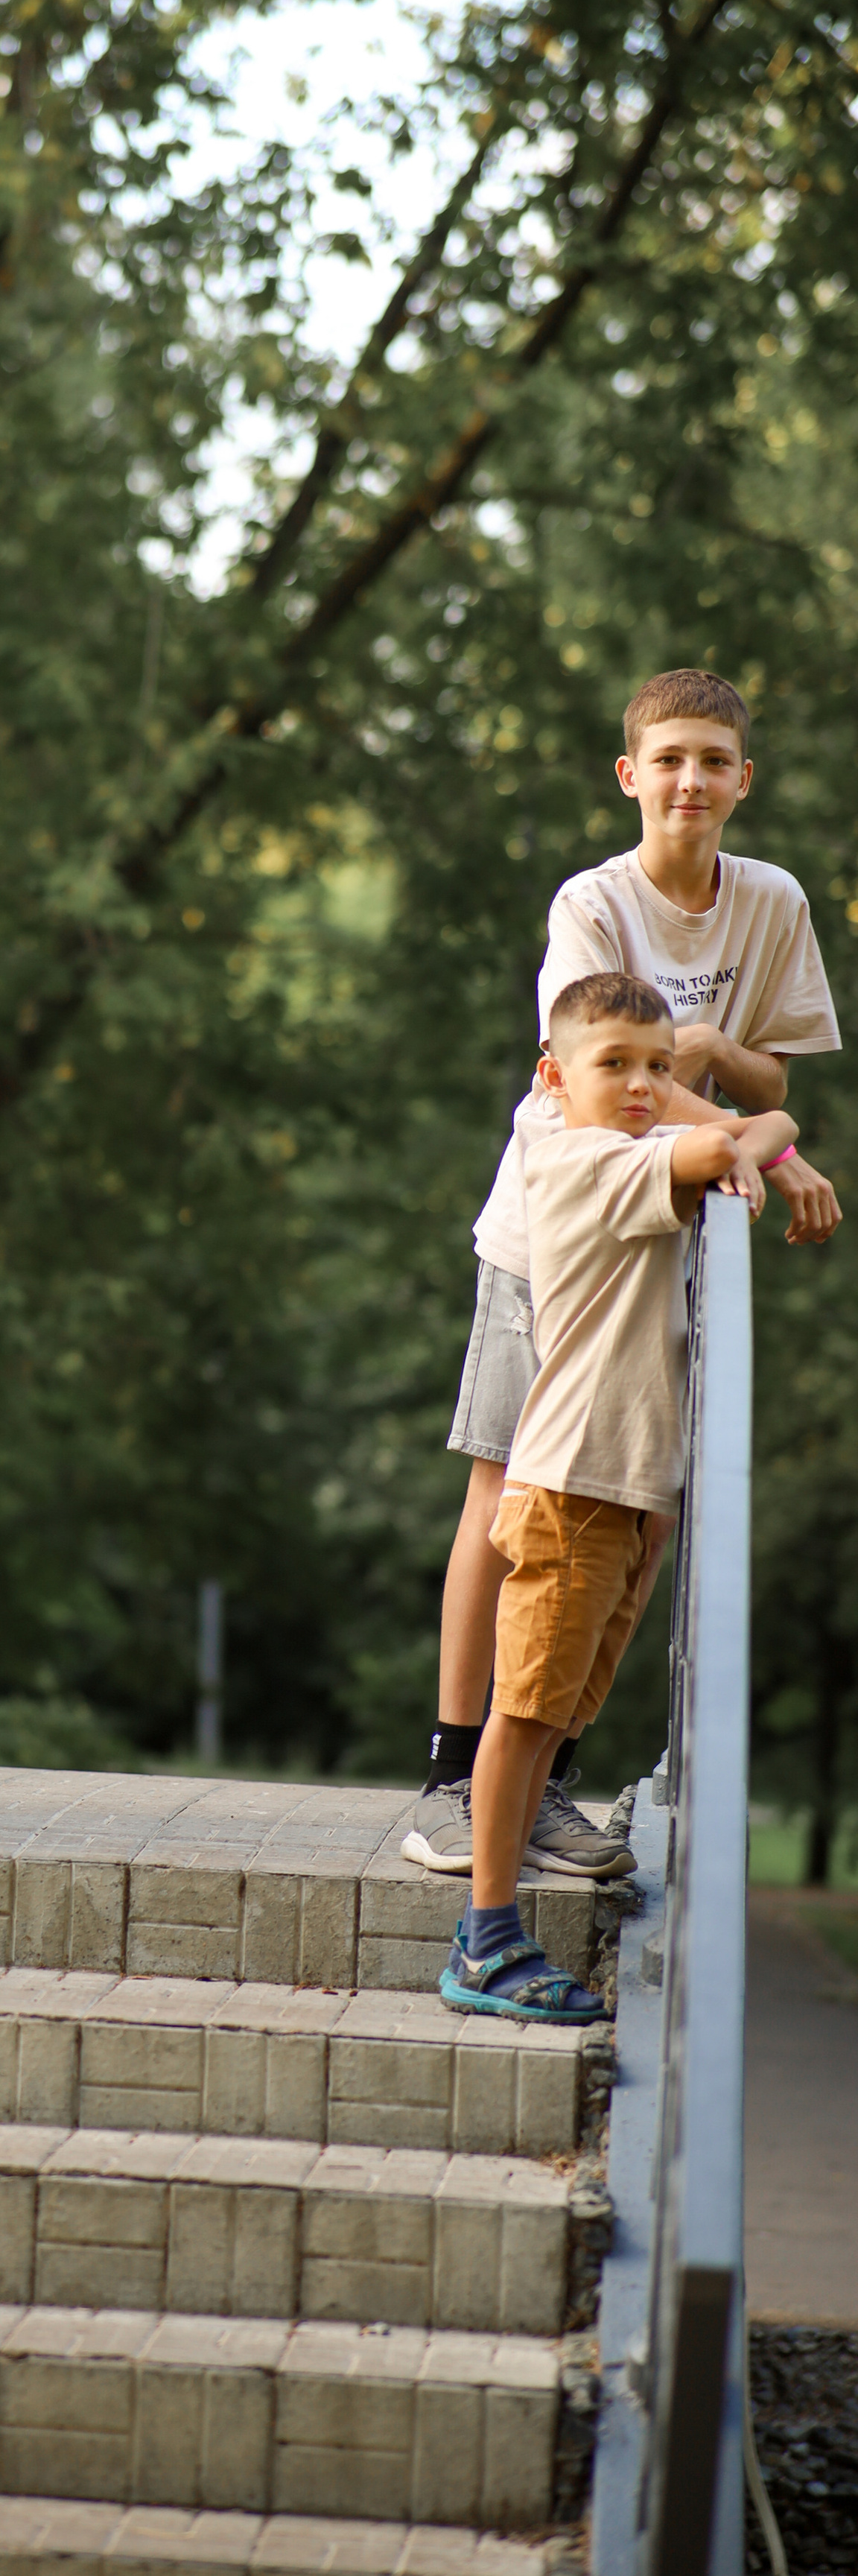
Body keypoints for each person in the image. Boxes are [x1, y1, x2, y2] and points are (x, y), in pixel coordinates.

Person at [404, 669, 841, 1880]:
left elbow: (775, 1081)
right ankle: (454, 1772)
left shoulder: (771, 903)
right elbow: (600, 1079)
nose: (691, 781)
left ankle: (543, 1781)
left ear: (744, 779)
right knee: (507, 1488)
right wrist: (776, 1149)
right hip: (556, 1228)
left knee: (622, 1506)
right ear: (630, 775)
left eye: (714, 760)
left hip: (665, 1231)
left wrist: (716, 1054)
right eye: (670, 760)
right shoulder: (591, 903)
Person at [441, 972, 796, 2020]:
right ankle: (485, 1940)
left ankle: (496, 1926)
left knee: (559, 1713)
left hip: (624, 1493)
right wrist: (738, 1125)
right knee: (526, 1710)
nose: (644, 1086)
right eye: (617, 1066)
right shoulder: (580, 1160)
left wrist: (742, 1132)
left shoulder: (631, 1150)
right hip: (571, 1485)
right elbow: (751, 1133)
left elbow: (748, 1135)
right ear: (553, 1079)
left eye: (657, 1066)